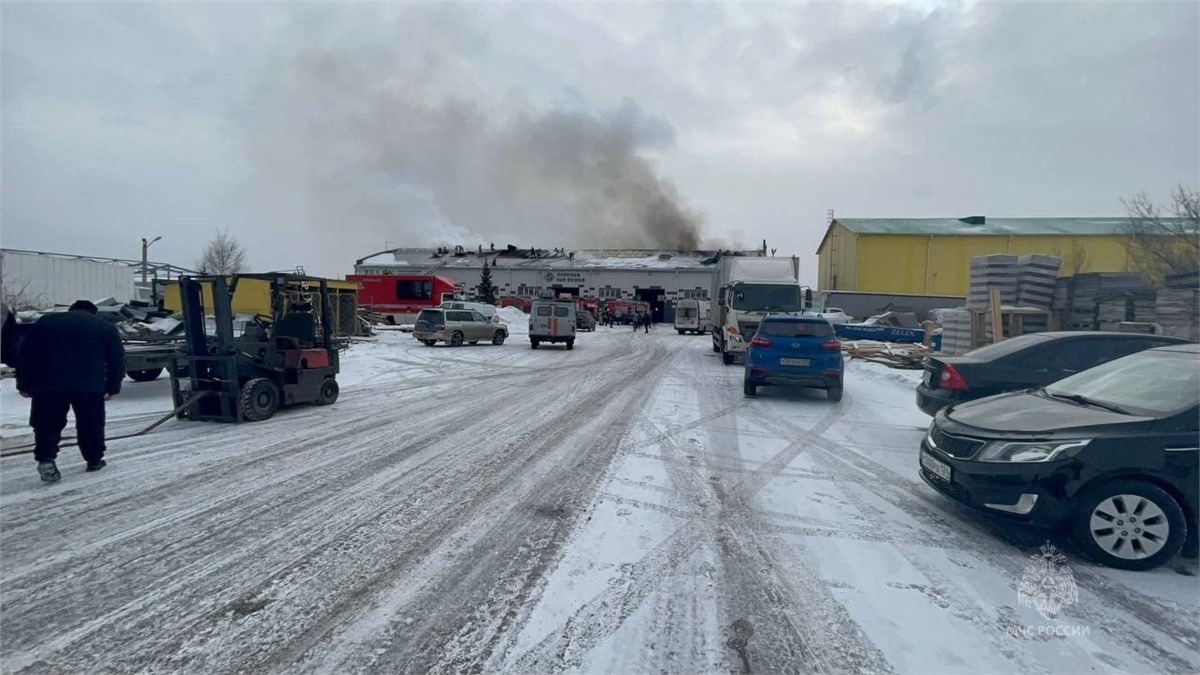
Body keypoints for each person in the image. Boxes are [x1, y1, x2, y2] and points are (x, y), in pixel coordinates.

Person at [17, 300, 124, 482]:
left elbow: (25, 354)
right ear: (93, 312)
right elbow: (116, 359)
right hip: (88, 386)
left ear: (71, 310)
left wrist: (24, 384)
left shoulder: (45, 322)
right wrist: (112, 387)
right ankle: (94, 459)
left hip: (48, 385)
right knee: (90, 423)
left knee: (47, 424)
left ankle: (46, 458)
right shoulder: (103, 326)